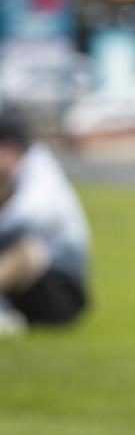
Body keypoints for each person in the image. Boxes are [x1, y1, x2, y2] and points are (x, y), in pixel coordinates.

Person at [0, 112, 90, 336]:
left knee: (25, 249)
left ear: (11, 148)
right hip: (24, 289)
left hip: (59, 292)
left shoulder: (40, 172)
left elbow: (24, 220)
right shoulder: (12, 176)